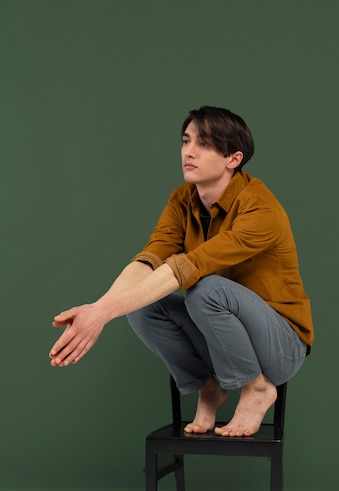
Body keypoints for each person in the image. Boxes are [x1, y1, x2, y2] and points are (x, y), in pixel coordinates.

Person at [49, 105, 313, 437]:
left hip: (280, 346)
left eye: (204, 144)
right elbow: (150, 259)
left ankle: (257, 388)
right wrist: (99, 308)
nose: (189, 151)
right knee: (141, 303)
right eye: (186, 140)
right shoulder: (182, 200)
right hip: (222, 343)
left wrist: (102, 315)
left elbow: (192, 266)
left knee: (205, 288)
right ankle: (208, 388)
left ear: (233, 158)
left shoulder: (260, 207)